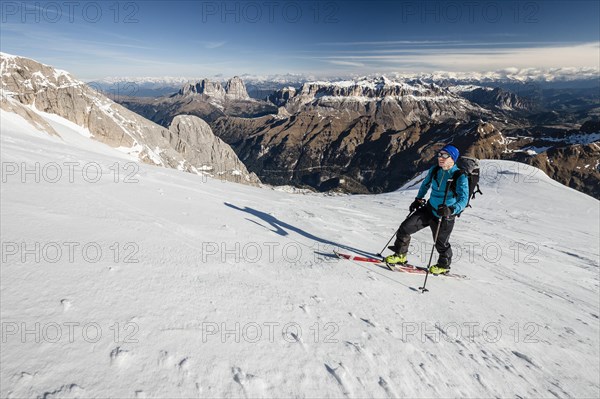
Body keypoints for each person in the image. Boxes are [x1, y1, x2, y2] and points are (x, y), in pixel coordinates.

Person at [384, 144, 469, 274]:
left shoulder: (460, 176)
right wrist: (418, 199)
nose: (440, 157)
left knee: (441, 243)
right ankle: (400, 255)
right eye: (440, 154)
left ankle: (443, 266)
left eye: (445, 155)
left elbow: (464, 199)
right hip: (429, 209)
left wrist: (451, 210)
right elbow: (425, 185)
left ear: (453, 158)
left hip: (444, 215)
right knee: (405, 228)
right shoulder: (435, 170)